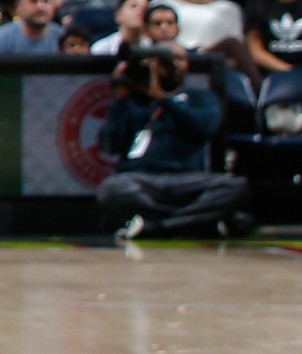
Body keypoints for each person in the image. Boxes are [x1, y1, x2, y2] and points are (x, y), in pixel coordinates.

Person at [97, 42, 252, 240]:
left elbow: (204, 129)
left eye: (179, 59)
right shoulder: (132, 102)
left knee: (234, 186)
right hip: (142, 180)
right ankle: (198, 223)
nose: (174, 65)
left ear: (187, 65)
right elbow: (109, 145)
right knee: (111, 188)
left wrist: (163, 98)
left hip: (188, 181)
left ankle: (155, 227)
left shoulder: (200, 98)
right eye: (166, 61)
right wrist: (118, 99)